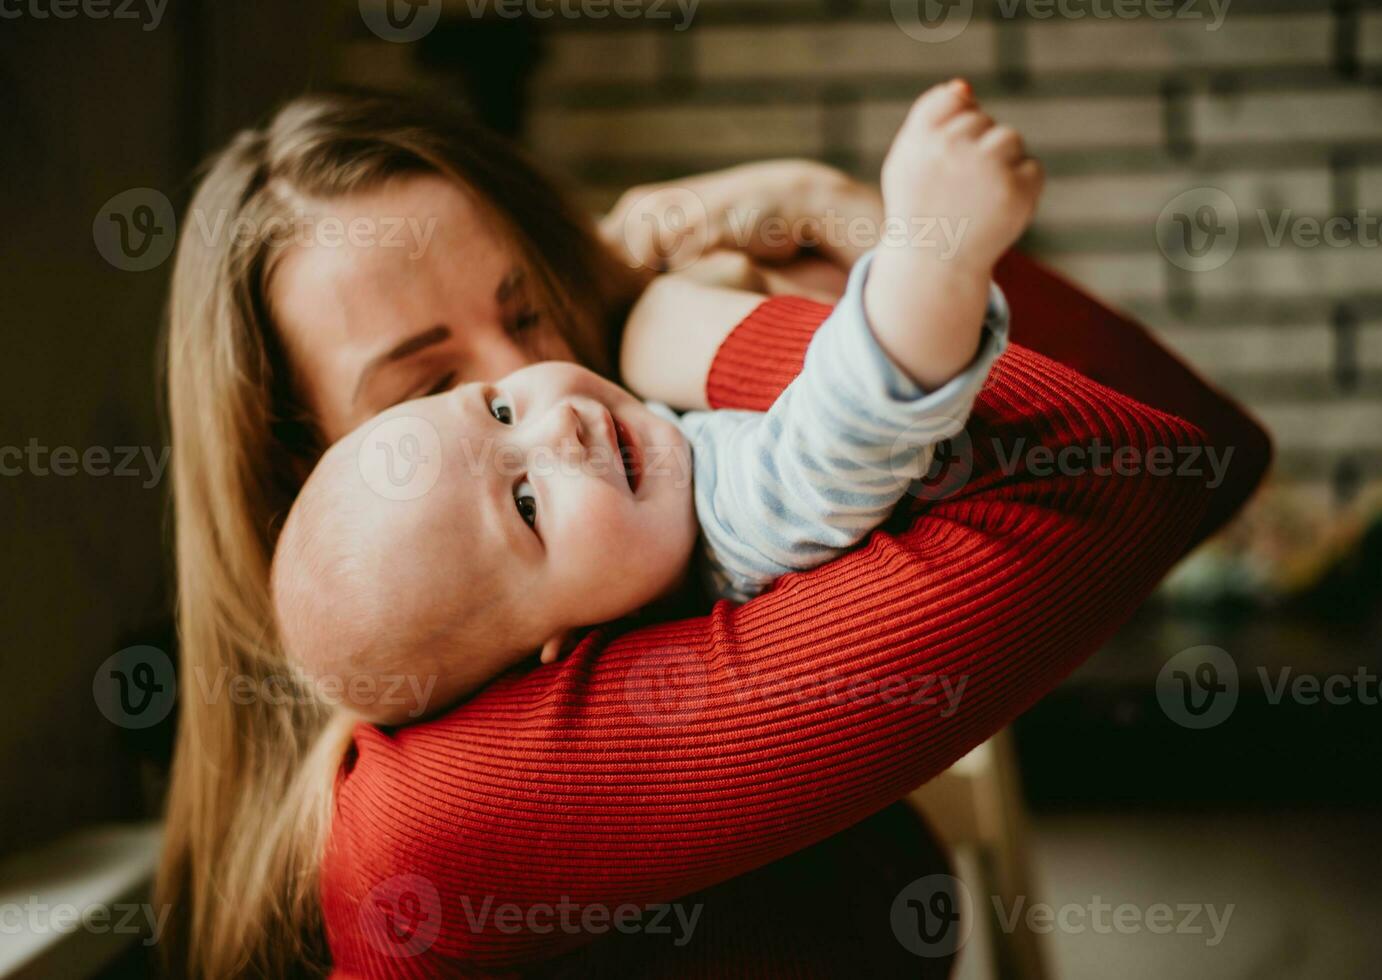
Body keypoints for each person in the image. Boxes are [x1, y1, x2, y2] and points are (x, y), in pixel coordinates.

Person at [157, 83, 1270, 977]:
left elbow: (1204, 456)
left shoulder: (648, 540)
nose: (547, 389)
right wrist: (678, 326)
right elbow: (1113, 467)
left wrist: (825, 207)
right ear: (302, 473)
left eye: (532, 303)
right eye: (427, 389)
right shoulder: (440, 805)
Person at [270, 80, 1030, 725]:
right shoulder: (734, 522)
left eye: (499, 409)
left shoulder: (644, 470)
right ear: (562, 647)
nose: (556, 424)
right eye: (528, 504)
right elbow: (849, 431)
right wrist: (938, 251)